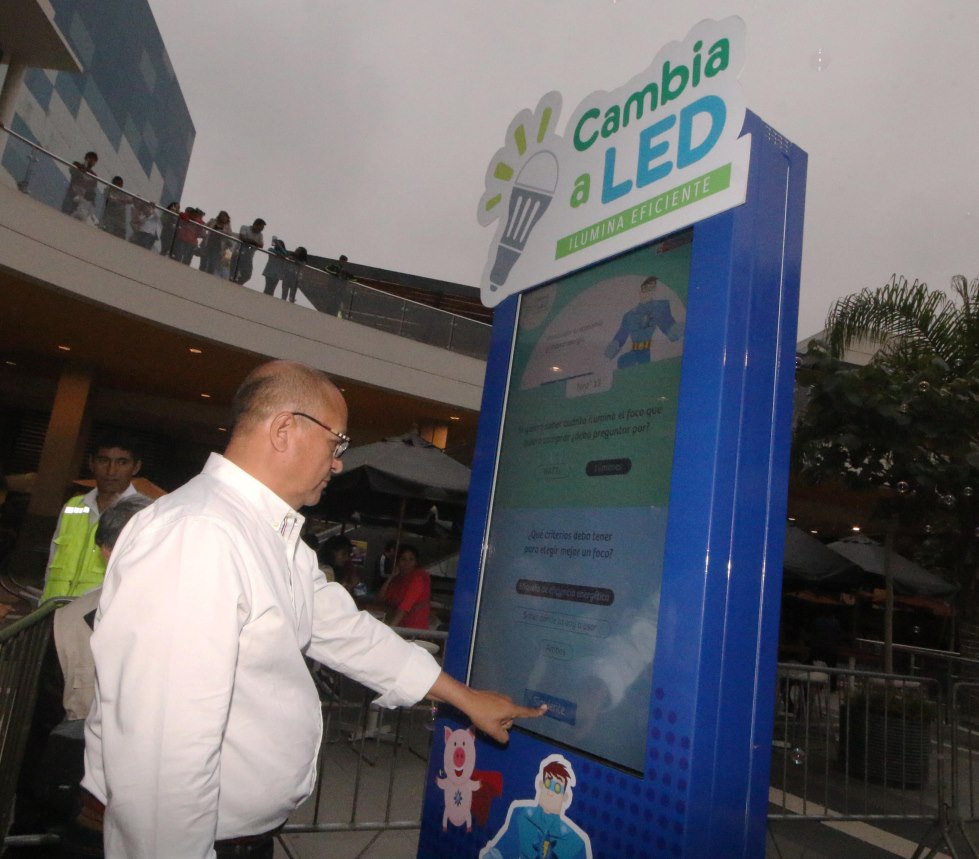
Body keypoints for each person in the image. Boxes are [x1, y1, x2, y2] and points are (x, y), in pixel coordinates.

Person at [82, 360, 544, 858]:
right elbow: (161, 760)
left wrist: (465, 698)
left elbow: (346, 631)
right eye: (336, 443)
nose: (338, 462)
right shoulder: (198, 535)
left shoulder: (267, 535)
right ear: (284, 429)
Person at [41, 430, 145, 603]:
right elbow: (53, 558)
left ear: (136, 467)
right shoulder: (73, 506)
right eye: (103, 460)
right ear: (91, 463)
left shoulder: (143, 513)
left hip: (98, 613)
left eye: (122, 462)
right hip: (54, 608)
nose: (111, 471)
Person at [380, 544, 431, 630]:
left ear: (416, 562)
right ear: (398, 562)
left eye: (411, 559)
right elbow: (380, 598)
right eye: (403, 559)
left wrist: (389, 631)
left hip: (414, 632)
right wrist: (390, 577)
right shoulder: (398, 580)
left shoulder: (419, 577)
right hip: (400, 628)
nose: (407, 563)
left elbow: (404, 607)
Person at [61, 151, 98, 216]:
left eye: (94, 160)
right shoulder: (77, 165)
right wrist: (84, 168)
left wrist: (92, 201)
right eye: (90, 158)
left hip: (82, 201)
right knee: (65, 213)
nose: (91, 161)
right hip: (71, 194)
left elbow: (92, 190)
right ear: (86, 158)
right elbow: (73, 172)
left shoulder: (93, 176)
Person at [200, 210, 234, 278]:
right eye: (222, 216)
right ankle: (200, 273)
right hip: (209, 242)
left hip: (218, 245)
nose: (223, 218)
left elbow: (229, 234)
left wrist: (222, 231)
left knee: (213, 261)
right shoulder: (213, 221)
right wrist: (204, 234)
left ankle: (209, 275)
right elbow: (204, 226)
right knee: (204, 259)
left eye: (225, 217)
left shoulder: (227, 225)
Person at [232, 217, 266, 284]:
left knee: (247, 275)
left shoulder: (260, 234)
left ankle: (237, 284)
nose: (261, 230)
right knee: (233, 272)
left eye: (262, 229)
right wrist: (254, 242)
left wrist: (250, 242)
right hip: (238, 253)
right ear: (255, 225)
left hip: (248, 257)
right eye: (260, 228)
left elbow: (261, 245)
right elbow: (242, 238)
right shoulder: (245, 227)